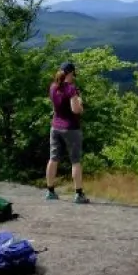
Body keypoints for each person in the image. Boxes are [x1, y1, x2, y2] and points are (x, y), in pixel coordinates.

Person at [46, 61, 89, 203]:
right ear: (70, 73)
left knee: (53, 159)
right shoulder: (71, 89)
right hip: (71, 128)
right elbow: (76, 110)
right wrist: (81, 104)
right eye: (73, 74)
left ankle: (50, 191)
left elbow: (56, 106)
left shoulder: (53, 87)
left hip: (55, 127)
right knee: (75, 161)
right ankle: (78, 194)